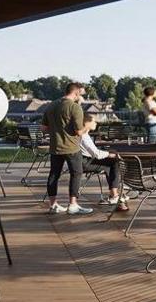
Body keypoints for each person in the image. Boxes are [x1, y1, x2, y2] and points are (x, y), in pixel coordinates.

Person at [41, 81, 90, 215]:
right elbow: (79, 131)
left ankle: (53, 205)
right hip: (71, 148)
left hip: (55, 147)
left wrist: (58, 129)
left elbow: (44, 128)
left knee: (54, 175)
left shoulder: (51, 105)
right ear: (76, 92)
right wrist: (89, 126)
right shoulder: (74, 108)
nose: (81, 96)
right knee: (76, 173)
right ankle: (73, 205)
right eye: (81, 93)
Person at [77, 114, 127, 207]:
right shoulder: (84, 136)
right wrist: (110, 154)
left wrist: (109, 153)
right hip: (85, 163)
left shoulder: (84, 135)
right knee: (114, 162)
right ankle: (115, 194)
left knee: (111, 162)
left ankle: (114, 193)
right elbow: (96, 154)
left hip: (84, 161)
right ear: (87, 123)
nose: (96, 123)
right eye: (94, 121)